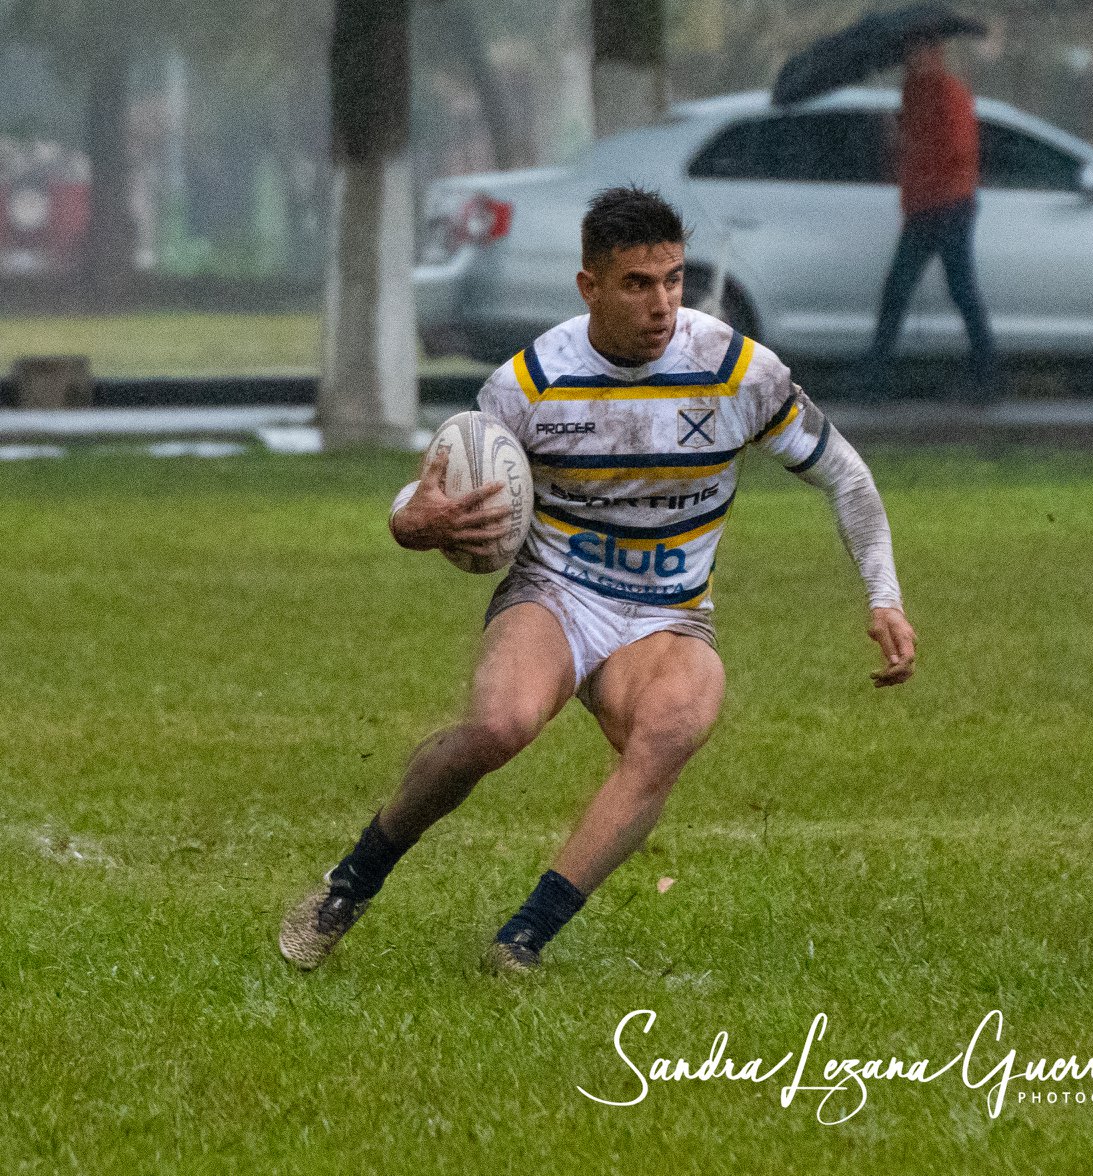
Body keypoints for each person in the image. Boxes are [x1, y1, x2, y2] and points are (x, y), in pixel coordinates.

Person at [280, 187, 918, 975]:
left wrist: (883, 597)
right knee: (497, 729)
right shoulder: (530, 382)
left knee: (673, 729)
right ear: (589, 286)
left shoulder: (734, 370)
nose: (661, 304)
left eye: (674, 280)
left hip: (668, 614)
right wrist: (415, 522)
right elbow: (427, 494)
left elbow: (847, 480)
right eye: (636, 285)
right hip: (554, 592)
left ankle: (521, 941)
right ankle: (353, 880)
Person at [864, 33, 996, 402]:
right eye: (909, 54)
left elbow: (959, 151)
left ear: (934, 53)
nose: (913, 60)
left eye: (920, 53)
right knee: (903, 289)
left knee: (954, 289)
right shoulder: (913, 92)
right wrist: (898, 136)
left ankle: (987, 374)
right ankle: (874, 376)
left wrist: (914, 147)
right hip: (923, 204)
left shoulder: (949, 92)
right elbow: (906, 147)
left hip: (949, 203)